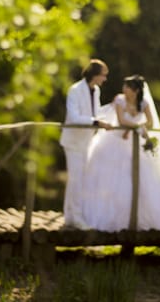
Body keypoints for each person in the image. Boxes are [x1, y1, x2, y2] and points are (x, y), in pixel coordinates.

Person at [82, 74, 160, 232]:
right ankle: (114, 219)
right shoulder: (119, 100)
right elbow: (121, 120)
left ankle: (149, 219)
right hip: (116, 141)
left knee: (148, 177)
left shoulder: (144, 103)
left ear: (135, 91)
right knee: (116, 178)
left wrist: (141, 126)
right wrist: (137, 126)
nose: (124, 90)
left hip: (136, 143)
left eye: (127, 87)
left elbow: (150, 121)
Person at [60, 59, 112, 229]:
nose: (105, 79)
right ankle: (76, 218)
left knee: (79, 179)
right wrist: (97, 122)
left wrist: (113, 109)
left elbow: (95, 114)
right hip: (73, 142)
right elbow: (74, 118)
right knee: (76, 179)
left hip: (87, 142)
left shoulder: (96, 90)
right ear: (95, 75)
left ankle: (71, 217)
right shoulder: (75, 90)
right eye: (103, 75)